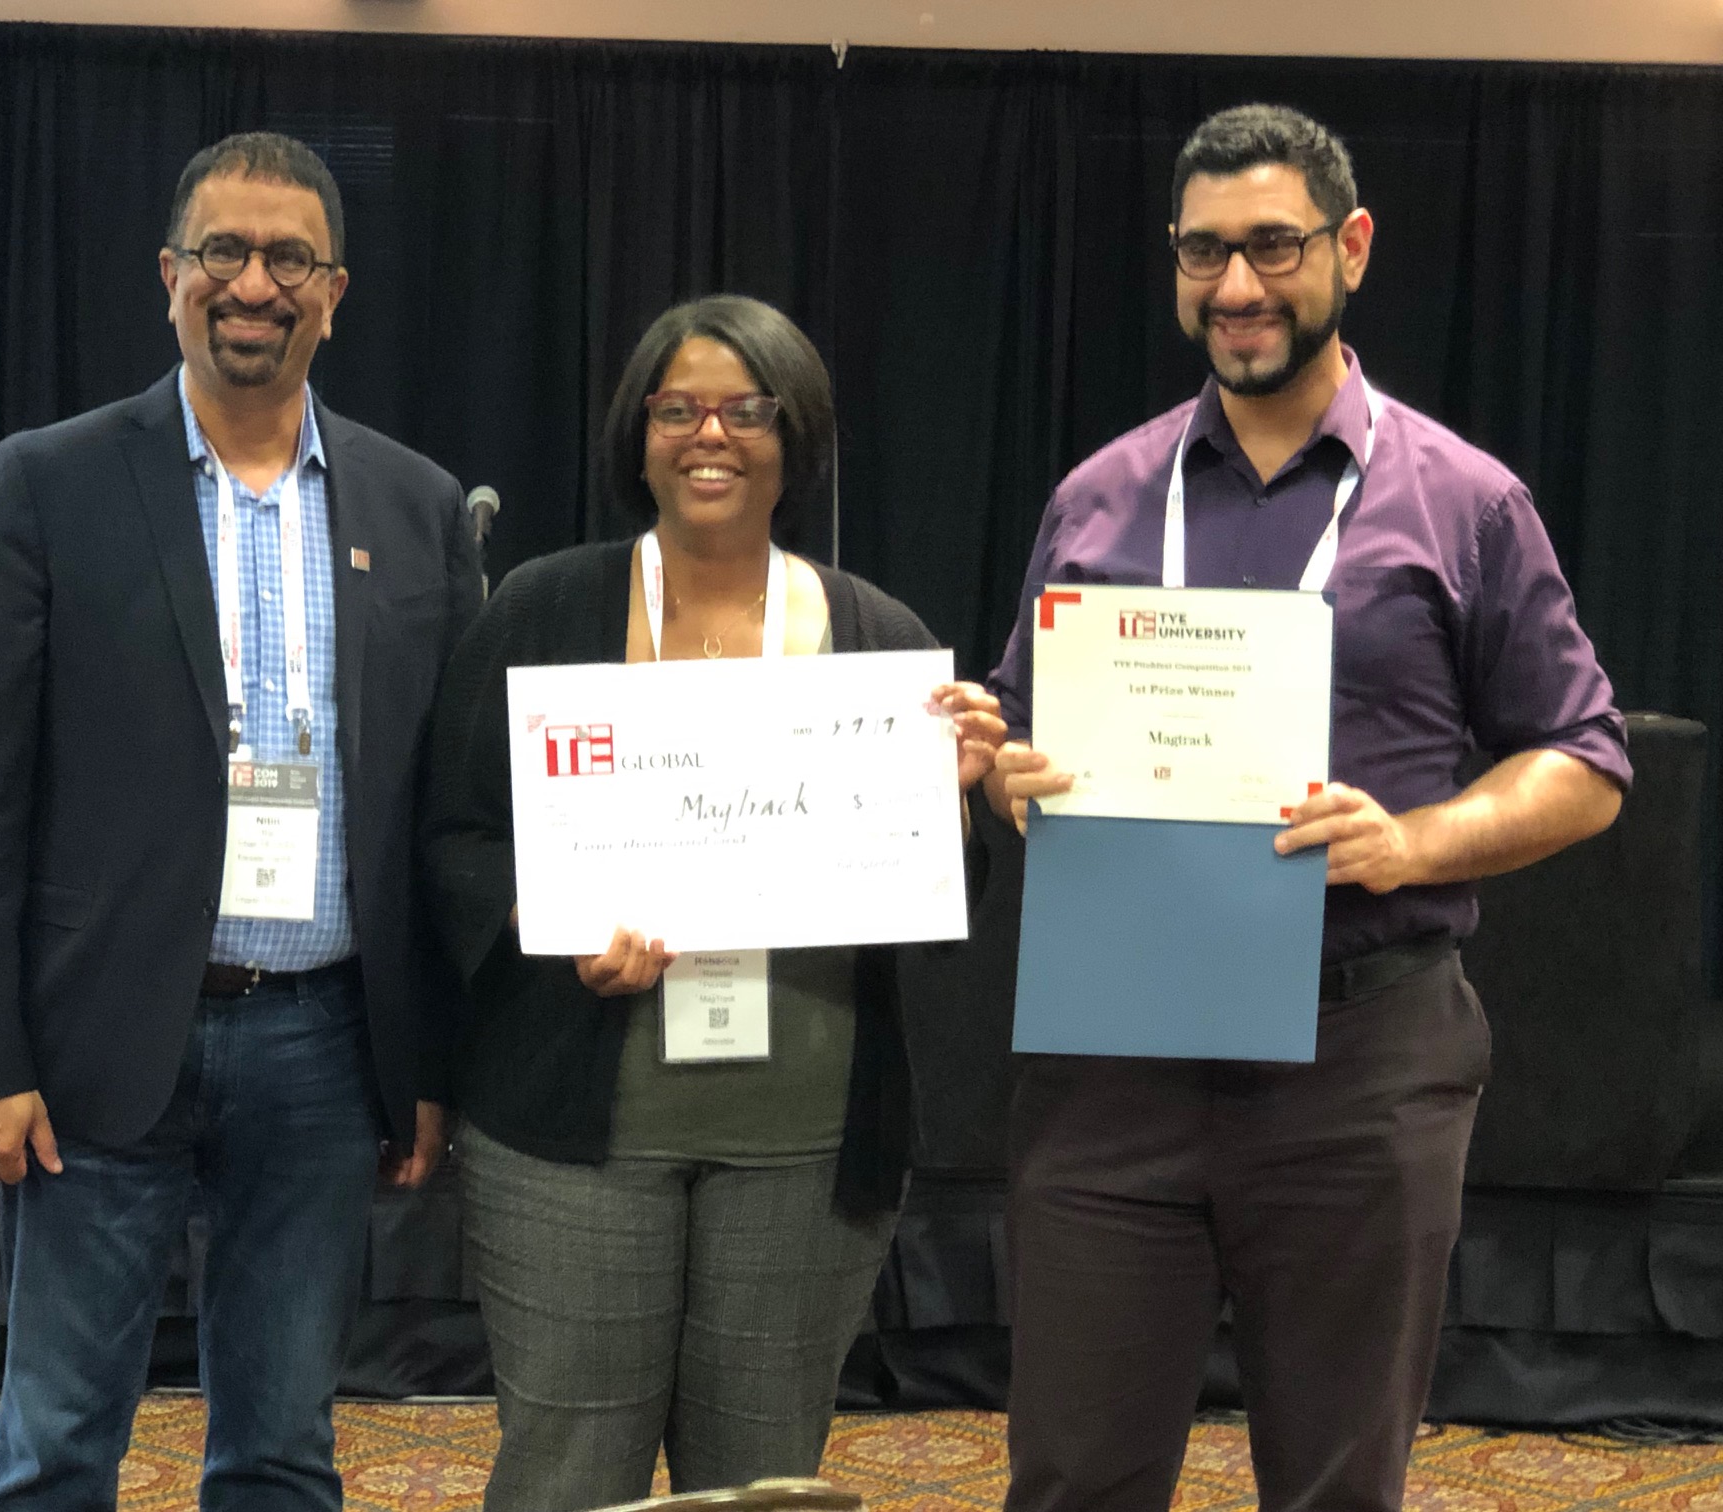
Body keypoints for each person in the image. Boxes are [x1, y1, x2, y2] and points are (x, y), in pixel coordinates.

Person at [984, 105, 1629, 1512]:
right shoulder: (1101, 493)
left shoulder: (1465, 500)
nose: (1235, 287)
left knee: (1340, 1483)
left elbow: (1582, 761)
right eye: (1202, 252)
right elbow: (1019, 732)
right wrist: (1004, 771)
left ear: (1351, 248)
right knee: (1073, 1478)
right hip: (1117, 1056)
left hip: (1362, 1053)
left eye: (1272, 246)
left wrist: (1414, 841)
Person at [0, 131, 479, 1511]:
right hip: (99, 1039)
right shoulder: (48, 481)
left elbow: (444, 807)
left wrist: (428, 1054)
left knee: (284, 1455)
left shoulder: (414, 507)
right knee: (56, 1450)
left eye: (290, 258)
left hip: (323, 1048)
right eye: (223, 251)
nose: (254, 284)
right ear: (169, 276)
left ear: (334, 292)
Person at [420, 294, 1005, 1512]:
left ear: (797, 439)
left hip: (803, 1142)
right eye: (677, 409)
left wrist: (954, 799)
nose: (711, 436)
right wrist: (561, 931)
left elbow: (939, 897)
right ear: (637, 436)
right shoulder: (539, 608)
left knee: (764, 1483)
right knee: (567, 1475)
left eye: (748, 411)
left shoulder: (877, 638)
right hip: (573, 1136)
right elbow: (455, 841)